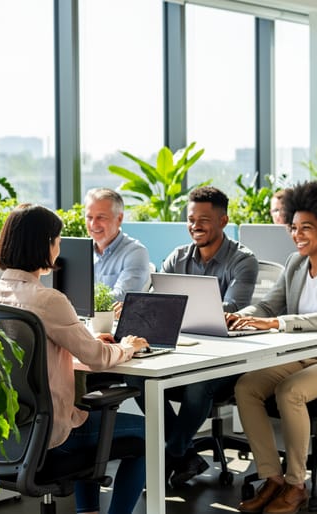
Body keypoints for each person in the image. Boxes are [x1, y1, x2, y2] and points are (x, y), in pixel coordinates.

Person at [0, 204, 149, 514]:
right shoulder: (49, 300)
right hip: (51, 435)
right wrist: (126, 346)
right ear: (45, 245)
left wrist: (81, 339)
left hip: (7, 431)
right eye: (57, 240)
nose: (59, 247)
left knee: (86, 410)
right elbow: (97, 359)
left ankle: (89, 511)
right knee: (147, 432)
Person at [230, 181, 317, 514]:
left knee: (289, 391)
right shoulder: (294, 263)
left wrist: (278, 323)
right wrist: (238, 316)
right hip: (301, 356)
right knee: (246, 387)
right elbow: (267, 306)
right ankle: (272, 478)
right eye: (294, 227)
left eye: (307, 228)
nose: (297, 234)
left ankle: (296, 484)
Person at [131, 186, 259, 488]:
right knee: (134, 378)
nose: (195, 226)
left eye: (204, 219)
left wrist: (174, 309)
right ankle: (186, 452)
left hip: (226, 357)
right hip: (182, 351)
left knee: (197, 386)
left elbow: (230, 309)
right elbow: (155, 300)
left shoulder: (243, 260)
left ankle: (171, 453)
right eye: (190, 219)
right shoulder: (177, 257)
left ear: (224, 221)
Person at [84, 188, 150, 303]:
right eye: (89, 217)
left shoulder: (135, 252)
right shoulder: (82, 251)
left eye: (101, 217)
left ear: (119, 218)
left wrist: (78, 300)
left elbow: (121, 297)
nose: (93, 224)